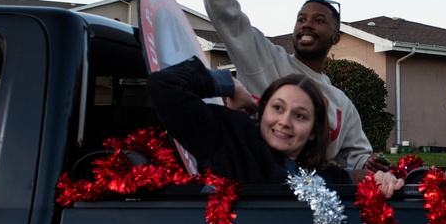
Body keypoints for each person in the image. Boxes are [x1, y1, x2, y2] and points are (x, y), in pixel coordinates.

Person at [202, 0, 391, 183]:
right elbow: (226, 14)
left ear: (335, 38)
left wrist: (367, 163)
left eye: (319, 20)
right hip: (254, 190)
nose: (307, 25)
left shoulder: (341, 103)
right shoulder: (265, 59)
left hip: (310, 203)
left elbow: (356, 157)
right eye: (301, 19)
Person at [147, 57, 402, 197]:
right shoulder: (232, 139)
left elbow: (354, 179)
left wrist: (383, 178)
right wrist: (231, 86)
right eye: (277, 108)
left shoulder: (321, 176)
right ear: (263, 108)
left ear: (314, 130)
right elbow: (165, 86)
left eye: (300, 116)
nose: (284, 121)